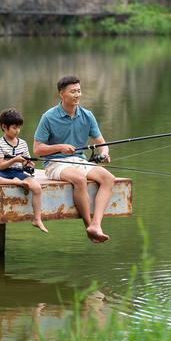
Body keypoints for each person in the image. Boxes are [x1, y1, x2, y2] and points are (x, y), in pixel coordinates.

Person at [33, 75, 115, 243]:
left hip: (79, 161)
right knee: (79, 179)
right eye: (73, 92)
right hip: (55, 163)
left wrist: (104, 153)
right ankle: (88, 226)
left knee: (108, 178)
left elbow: (101, 142)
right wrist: (59, 147)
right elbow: (37, 150)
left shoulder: (87, 115)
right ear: (61, 94)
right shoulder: (48, 117)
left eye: (79, 91)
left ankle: (96, 225)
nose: (77, 95)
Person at [0, 108, 48, 233]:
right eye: (14, 128)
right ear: (4, 127)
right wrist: (14, 160)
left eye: (19, 128)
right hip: (3, 173)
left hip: (19, 173)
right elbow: (0, 166)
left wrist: (30, 164)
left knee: (37, 188)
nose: (18, 131)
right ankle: (15, 183)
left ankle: (37, 219)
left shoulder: (22, 143)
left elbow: (27, 161)